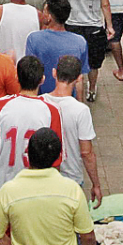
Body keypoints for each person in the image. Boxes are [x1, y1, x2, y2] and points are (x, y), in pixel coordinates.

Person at [0, 56, 65, 207]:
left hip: (1, 190)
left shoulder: (0, 106)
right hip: (36, 194)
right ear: (42, 79)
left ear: (17, 77)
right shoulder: (52, 111)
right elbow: (55, 160)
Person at [56, 0, 113, 101]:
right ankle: (92, 89)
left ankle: (73, 88)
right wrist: (109, 26)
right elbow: (105, 4)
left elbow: (60, 3)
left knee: (73, 61)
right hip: (94, 27)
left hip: (71, 26)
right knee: (94, 63)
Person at [43, 56, 102, 206]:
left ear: (54, 73)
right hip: (71, 179)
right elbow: (86, 153)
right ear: (79, 78)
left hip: (44, 178)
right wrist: (96, 184)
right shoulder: (81, 111)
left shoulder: (41, 102)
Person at [25, 0, 90, 98]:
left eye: (44, 11)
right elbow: (80, 79)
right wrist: (79, 105)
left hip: (43, 99)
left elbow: (31, 75)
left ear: (49, 16)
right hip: (68, 98)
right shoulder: (80, 42)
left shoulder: (34, 39)